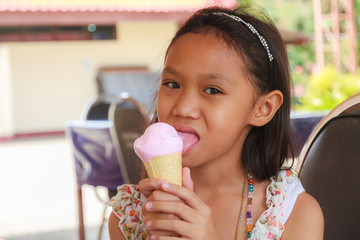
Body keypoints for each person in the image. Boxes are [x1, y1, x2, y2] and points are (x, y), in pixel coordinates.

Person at [108, 5, 324, 240]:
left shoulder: (292, 213)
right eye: (172, 84)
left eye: (212, 90)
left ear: (263, 108)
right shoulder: (130, 216)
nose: (183, 108)